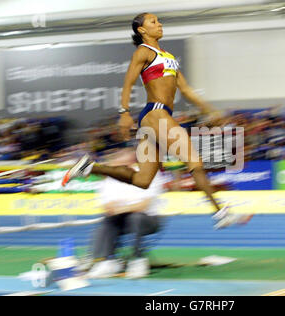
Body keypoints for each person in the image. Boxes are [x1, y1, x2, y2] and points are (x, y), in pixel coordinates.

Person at [62, 13, 251, 228]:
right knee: (194, 161)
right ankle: (221, 212)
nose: (159, 24)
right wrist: (123, 112)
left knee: (143, 180)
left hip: (158, 117)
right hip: (156, 114)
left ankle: (89, 167)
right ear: (142, 30)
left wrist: (212, 111)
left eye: (159, 21)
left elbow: (187, 90)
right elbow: (128, 82)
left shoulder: (169, 56)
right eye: (153, 22)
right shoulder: (144, 52)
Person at [86, 148, 163, 279]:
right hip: (121, 220)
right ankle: (108, 261)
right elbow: (108, 207)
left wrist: (122, 207)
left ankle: (138, 261)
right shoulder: (110, 179)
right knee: (108, 219)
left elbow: (143, 206)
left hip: (148, 220)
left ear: (132, 161)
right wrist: (125, 206)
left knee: (136, 217)